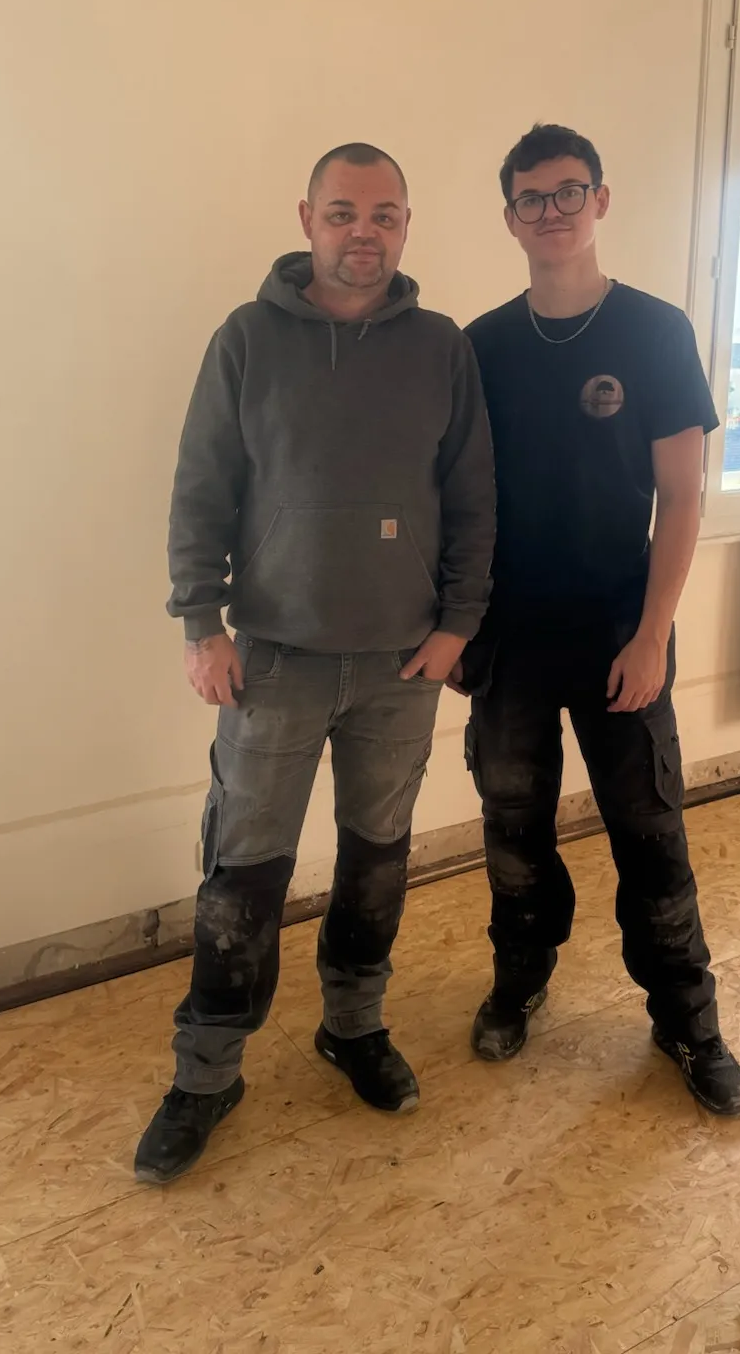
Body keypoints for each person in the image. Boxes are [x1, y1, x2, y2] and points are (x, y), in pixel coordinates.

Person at [135, 143, 496, 1183]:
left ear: (407, 224)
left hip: (402, 663)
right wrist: (200, 621)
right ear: (307, 219)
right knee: (242, 873)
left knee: (378, 856)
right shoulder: (247, 340)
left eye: (384, 214)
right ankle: (207, 1073)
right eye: (343, 212)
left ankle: (353, 1026)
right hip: (273, 658)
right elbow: (200, 485)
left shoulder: (440, 347)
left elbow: (474, 496)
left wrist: (458, 623)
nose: (363, 232)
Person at [458, 124, 740, 1117]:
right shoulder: (483, 346)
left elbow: (684, 496)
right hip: (509, 639)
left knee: (650, 834)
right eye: (531, 197)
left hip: (621, 630)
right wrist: (460, 625)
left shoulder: (655, 331)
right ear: (510, 217)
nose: (552, 210)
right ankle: (520, 976)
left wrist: (654, 633)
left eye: (568, 191)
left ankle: (688, 1020)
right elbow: (461, 500)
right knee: (513, 832)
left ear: (601, 200)